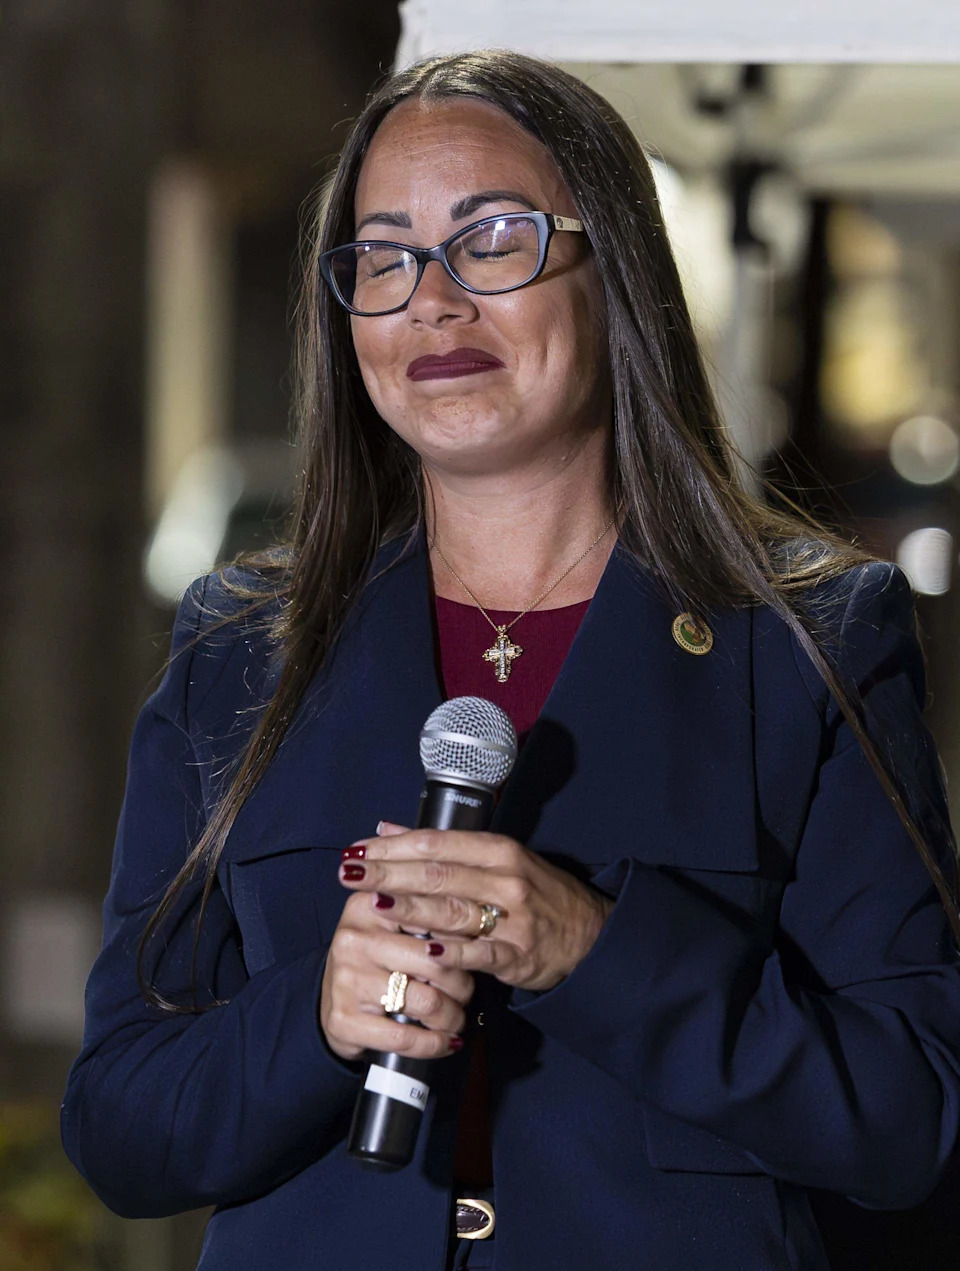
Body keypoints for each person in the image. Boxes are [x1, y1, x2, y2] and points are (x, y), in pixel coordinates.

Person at [61, 49, 960, 1271]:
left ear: (620, 272)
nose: (431, 301)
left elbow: (916, 1117)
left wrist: (599, 950)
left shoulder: (811, 639)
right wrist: (314, 1017)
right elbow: (120, 1126)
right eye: (382, 257)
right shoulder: (238, 650)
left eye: (493, 240)